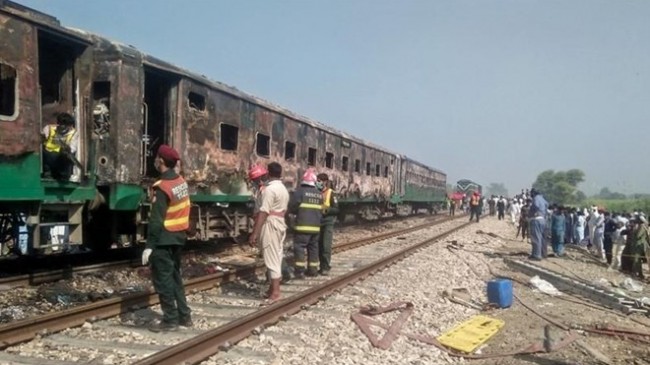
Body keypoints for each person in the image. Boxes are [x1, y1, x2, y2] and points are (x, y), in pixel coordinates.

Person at [142, 145, 192, 332]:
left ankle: (170, 320)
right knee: (175, 277)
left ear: (161, 161)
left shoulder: (162, 187)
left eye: (157, 157)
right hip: (178, 237)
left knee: (163, 281)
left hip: (163, 240)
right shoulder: (181, 182)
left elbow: (156, 220)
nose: (155, 160)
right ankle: (185, 316)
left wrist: (149, 246)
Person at [248, 162, 290, 303]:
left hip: (270, 224)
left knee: (271, 258)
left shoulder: (269, 190)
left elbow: (264, 212)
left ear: (268, 173)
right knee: (276, 256)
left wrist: (254, 233)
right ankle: (272, 289)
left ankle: (276, 293)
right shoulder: (283, 188)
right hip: (280, 223)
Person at [289, 168, 323, 278]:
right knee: (313, 248)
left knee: (299, 247)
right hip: (316, 227)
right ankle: (313, 270)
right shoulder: (319, 194)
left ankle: (300, 271)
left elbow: (292, 207)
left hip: (302, 227)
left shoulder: (299, 192)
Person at [42, 112, 79, 181]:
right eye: (61, 124)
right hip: (48, 156)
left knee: (67, 156)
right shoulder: (48, 129)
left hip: (62, 158)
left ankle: (64, 176)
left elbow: (73, 149)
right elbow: (41, 140)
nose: (63, 127)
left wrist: (66, 149)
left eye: (66, 125)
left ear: (70, 125)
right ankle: (47, 174)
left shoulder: (74, 133)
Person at [317, 173, 339, 276]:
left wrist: (327, 210)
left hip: (327, 222)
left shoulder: (331, 193)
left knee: (326, 245)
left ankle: (325, 266)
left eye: (319, 181)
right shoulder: (315, 192)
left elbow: (337, 209)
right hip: (317, 221)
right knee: (318, 245)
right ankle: (319, 266)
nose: (318, 183)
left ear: (325, 181)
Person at [528, 188, 548, 260]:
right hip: (543, 219)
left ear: (533, 193)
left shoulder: (535, 198)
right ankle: (542, 253)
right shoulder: (543, 199)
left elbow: (536, 206)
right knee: (542, 238)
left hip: (536, 219)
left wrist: (532, 212)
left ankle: (537, 255)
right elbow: (546, 205)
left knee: (536, 238)